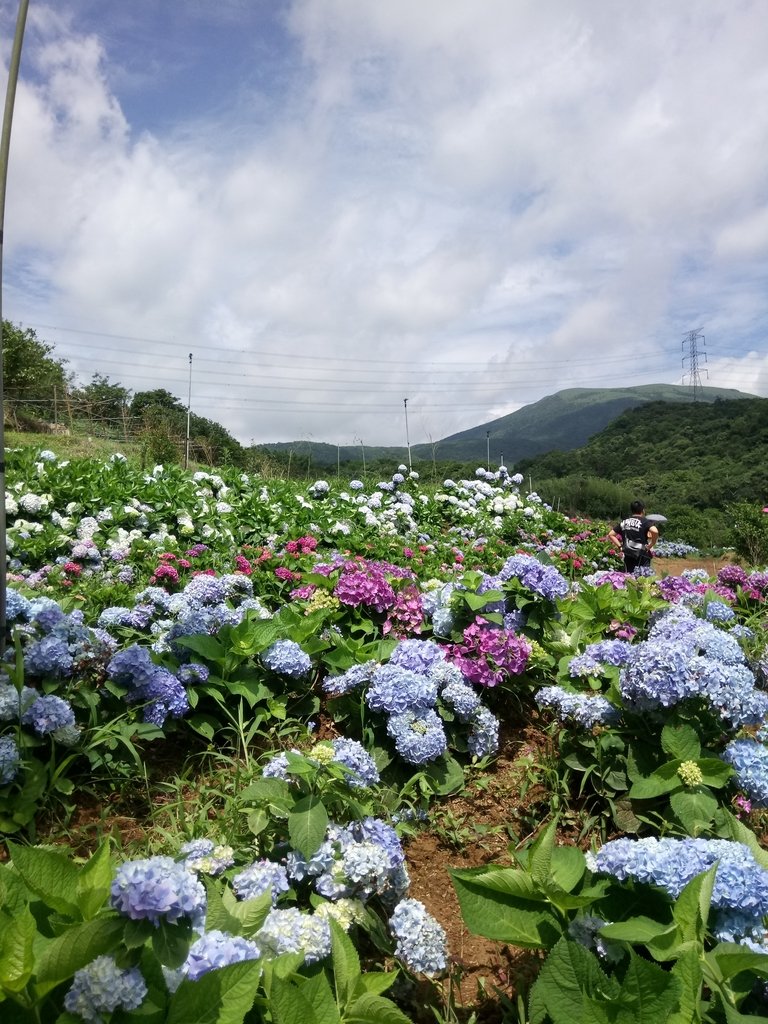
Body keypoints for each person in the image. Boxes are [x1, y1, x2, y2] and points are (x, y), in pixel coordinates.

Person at [608, 500, 659, 573]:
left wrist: (620, 546)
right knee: (642, 578)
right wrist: (652, 544)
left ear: (632, 510)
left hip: (628, 554)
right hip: (642, 555)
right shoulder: (645, 521)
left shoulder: (624, 522)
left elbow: (611, 534)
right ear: (643, 510)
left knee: (629, 577)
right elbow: (655, 531)